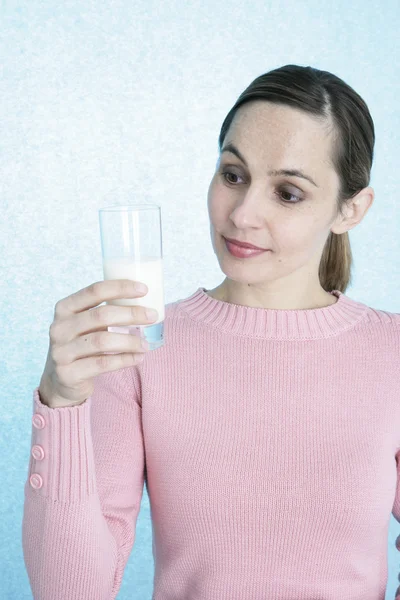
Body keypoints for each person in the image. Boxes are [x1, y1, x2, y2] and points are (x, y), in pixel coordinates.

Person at [22, 64, 400, 600]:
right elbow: (72, 592)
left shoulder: (393, 352)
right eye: (233, 175)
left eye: (288, 193)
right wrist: (60, 404)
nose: (243, 214)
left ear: (351, 209)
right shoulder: (139, 345)